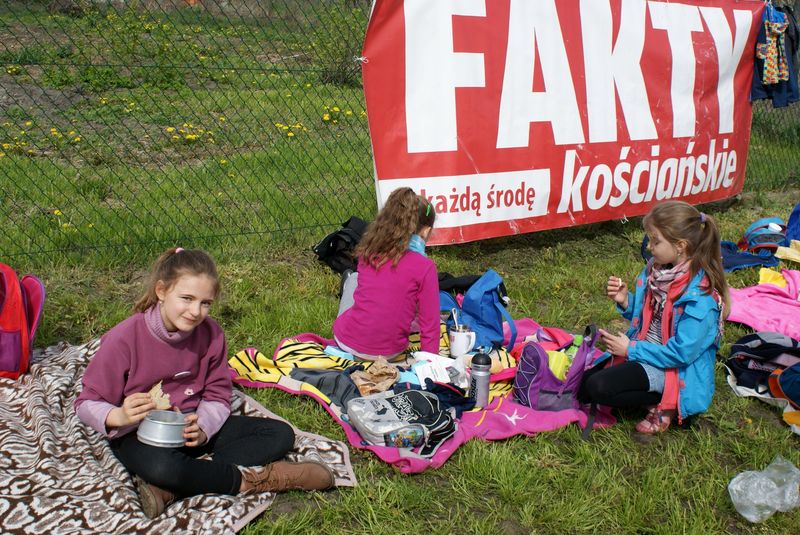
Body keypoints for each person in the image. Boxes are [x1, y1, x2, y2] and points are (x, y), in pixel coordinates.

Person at [75, 248, 334, 519]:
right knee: (164, 468)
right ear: (161, 291)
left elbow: (218, 395)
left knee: (280, 434)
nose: (195, 311)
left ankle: (174, 488)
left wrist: (203, 429)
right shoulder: (124, 338)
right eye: (186, 299)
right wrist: (119, 415)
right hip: (139, 435)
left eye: (206, 303)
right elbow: (86, 403)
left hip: (188, 429)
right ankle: (261, 480)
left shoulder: (212, 335)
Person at [580, 201, 729, 434]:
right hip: (645, 351)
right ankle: (643, 391)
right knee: (583, 386)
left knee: (598, 387)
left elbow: (681, 354)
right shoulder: (658, 271)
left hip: (672, 370)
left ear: (680, 246)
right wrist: (625, 301)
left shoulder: (700, 298)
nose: (649, 247)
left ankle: (665, 404)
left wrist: (630, 350)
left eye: (655, 241)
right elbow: (651, 319)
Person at [333, 187, 439, 361]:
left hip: (348, 343)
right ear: (426, 231)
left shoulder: (369, 251)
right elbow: (430, 326)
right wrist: (431, 364)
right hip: (389, 353)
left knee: (353, 280)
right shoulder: (425, 267)